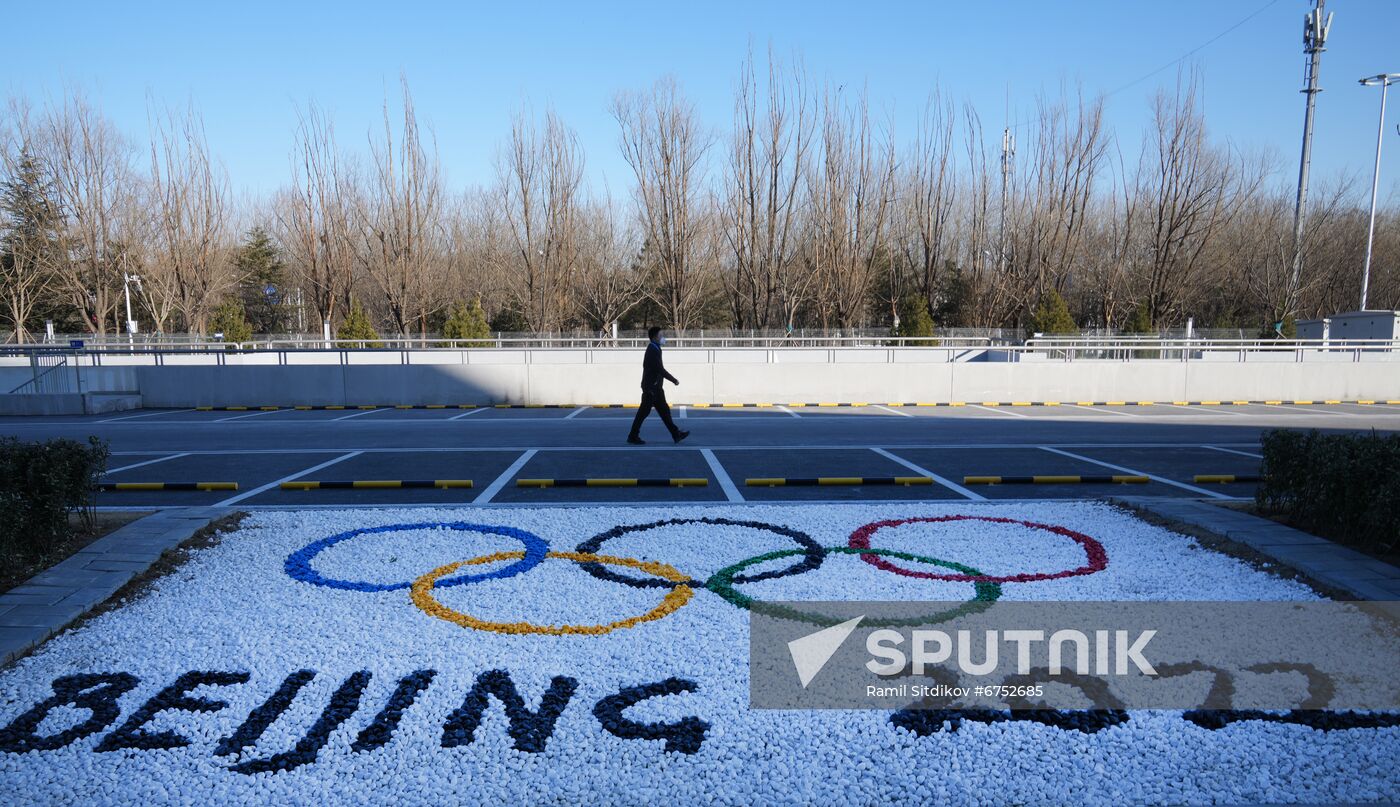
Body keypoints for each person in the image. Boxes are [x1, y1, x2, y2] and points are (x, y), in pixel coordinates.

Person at [627, 326, 690, 445]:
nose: (663, 338)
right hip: (651, 389)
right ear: (655, 337)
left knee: (665, 412)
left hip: (656, 389)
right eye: (661, 336)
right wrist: (674, 380)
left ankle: (676, 434)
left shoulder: (656, 348)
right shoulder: (652, 350)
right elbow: (660, 369)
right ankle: (632, 436)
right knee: (643, 413)